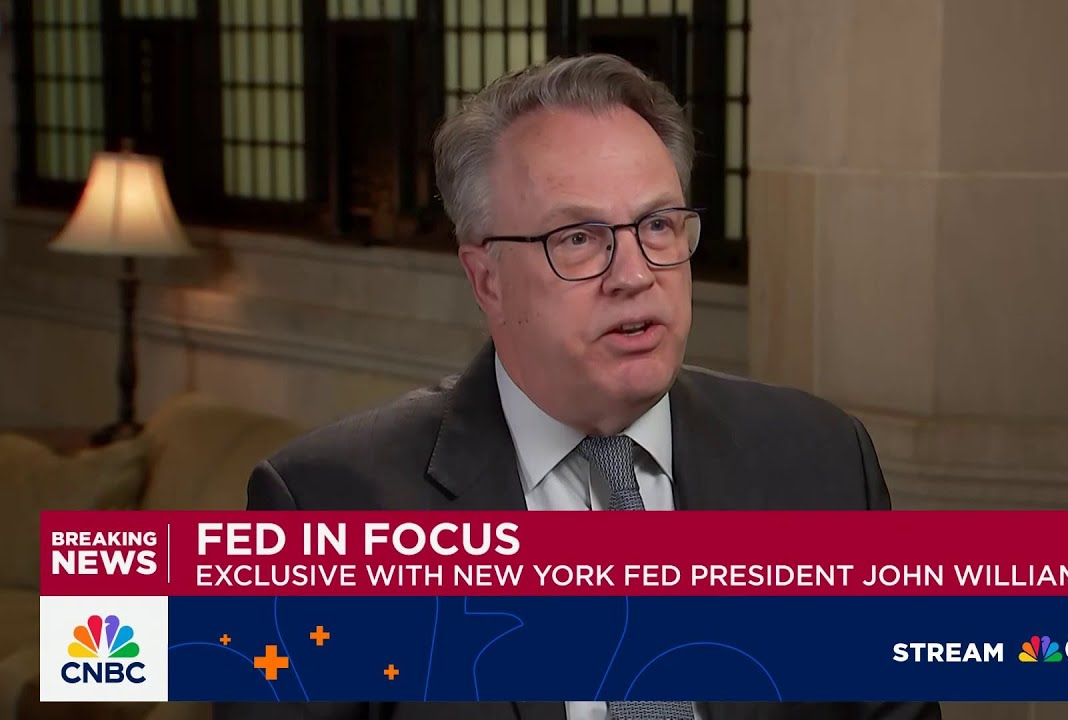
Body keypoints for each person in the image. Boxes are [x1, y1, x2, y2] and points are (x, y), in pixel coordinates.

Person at [217, 54, 942, 720]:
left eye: (658, 225)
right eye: (577, 239)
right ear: (487, 279)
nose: (634, 274)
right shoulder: (324, 509)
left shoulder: (821, 461)